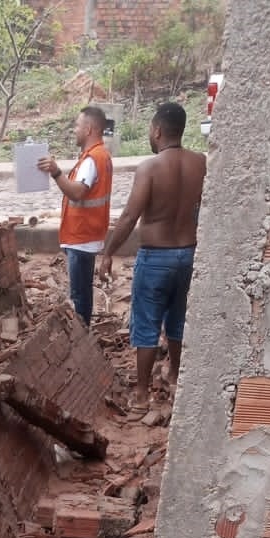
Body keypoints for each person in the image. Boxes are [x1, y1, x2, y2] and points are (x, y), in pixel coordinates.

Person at [98, 102, 206, 414]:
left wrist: (108, 252)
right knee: (177, 318)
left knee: (146, 324)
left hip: (156, 257)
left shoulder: (150, 167)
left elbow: (131, 214)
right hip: (188, 254)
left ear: (157, 130)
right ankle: (174, 375)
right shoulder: (201, 163)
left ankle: (142, 394)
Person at [37, 106, 113, 327]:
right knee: (83, 293)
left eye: (77, 126)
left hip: (82, 237)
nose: (74, 130)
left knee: (80, 296)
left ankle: (82, 337)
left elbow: (76, 192)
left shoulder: (92, 159)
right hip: (89, 233)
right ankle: (84, 333)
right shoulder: (101, 155)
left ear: (89, 129)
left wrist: (56, 172)